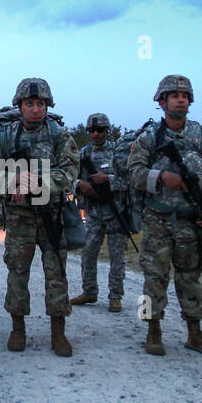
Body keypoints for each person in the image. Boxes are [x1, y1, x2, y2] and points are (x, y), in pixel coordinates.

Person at [126, 75, 202, 357]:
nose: (181, 99)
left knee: (190, 278)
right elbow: (133, 173)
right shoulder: (148, 138)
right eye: (174, 95)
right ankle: (153, 330)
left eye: (185, 95)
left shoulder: (201, 135)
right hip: (157, 218)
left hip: (191, 219)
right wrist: (161, 177)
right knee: (154, 277)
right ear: (162, 102)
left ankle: (195, 332)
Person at [0, 77, 76, 357]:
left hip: (52, 216)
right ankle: (18, 328)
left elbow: (70, 171)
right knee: (17, 273)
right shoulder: (4, 137)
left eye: (40, 104)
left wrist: (37, 182)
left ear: (47, 106)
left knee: (57, 275)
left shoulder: (60, 135)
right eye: (29, 104)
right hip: (19, 219)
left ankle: (58, 331)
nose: (35, 109)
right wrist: (14, 181)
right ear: (20, 105)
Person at [71, 112, 128, 312]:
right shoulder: (82, 154)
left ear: (107, 131)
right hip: (93, 212)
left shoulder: (117, 153)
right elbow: (68, 178)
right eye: (92, 130)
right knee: (87, 253)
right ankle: (89, 292)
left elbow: (129, 180)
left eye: (100, 130)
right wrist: (81, 184)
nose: (96, 134)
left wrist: (108, 179)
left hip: (115, 211)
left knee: (117, 256)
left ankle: (115, 296)